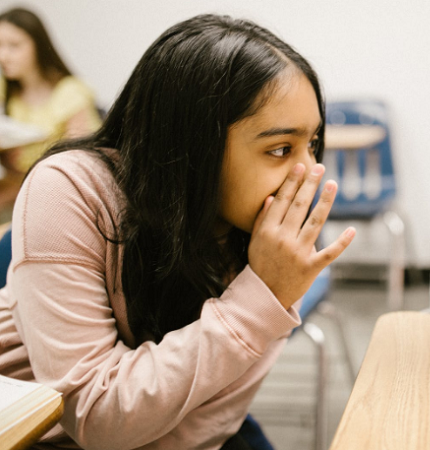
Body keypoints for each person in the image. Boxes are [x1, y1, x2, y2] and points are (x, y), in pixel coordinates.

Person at [0, 14, 355, 450]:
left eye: (313, 143)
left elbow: (209, 425)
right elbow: (96, 419)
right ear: (192, 145)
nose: (309, 173)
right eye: (280, 149)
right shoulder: (69, 189)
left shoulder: (279, 246)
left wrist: (266, 288)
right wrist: (257, 299)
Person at [0, 7, 101, 216]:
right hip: (19, 188)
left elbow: (84, 163)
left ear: (37, 44)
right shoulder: (7, 91)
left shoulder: (70, 92)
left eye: (14, 46)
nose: (3, 56)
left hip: (57, 194)